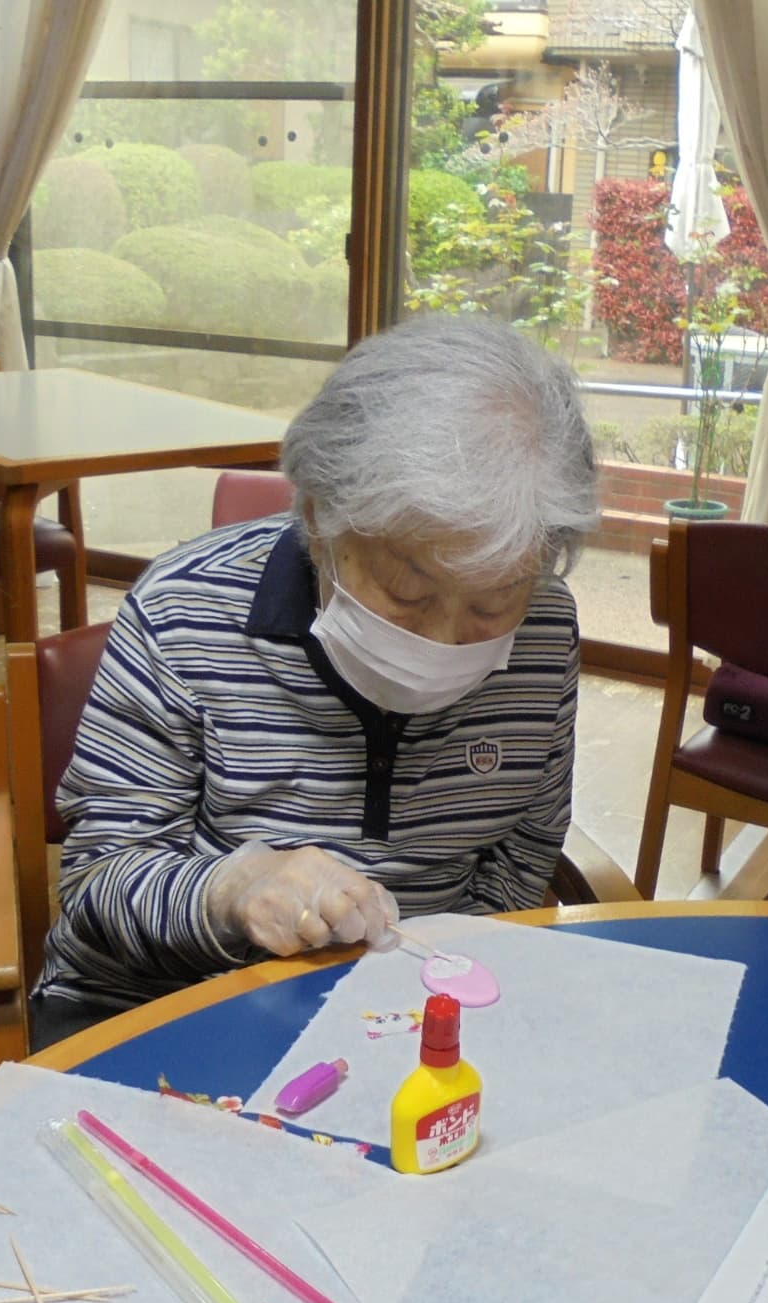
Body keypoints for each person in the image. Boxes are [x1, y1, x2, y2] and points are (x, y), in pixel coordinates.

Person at [34, 316, 599, 1040]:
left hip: (404, 1016)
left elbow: (523, 848)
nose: (446, 639)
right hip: (170, 1006)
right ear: (317, 520)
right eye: (408, 593)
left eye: (493, 604)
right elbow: (96, 886)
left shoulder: (545, 629)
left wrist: (440, 987)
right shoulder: (184, 611)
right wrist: (233, 890)